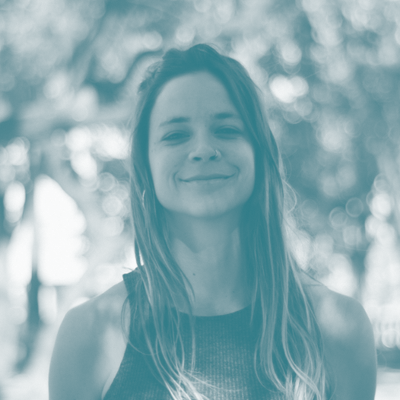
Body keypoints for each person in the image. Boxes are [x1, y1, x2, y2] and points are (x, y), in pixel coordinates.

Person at [49, 44, 377, 400]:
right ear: (147, 166)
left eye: (227, 129)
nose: (204, 149)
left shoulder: (338, 328)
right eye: (176, 135)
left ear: (259, 153)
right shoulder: (89, 334)